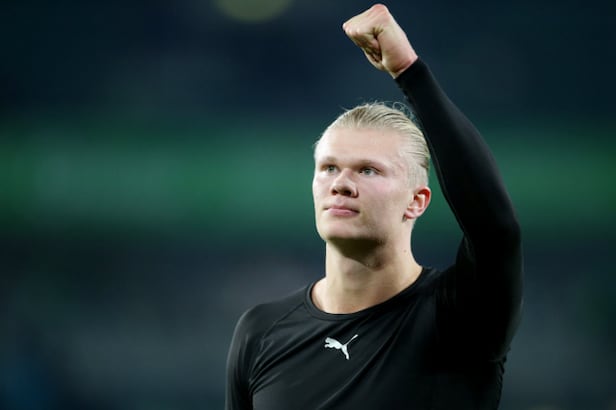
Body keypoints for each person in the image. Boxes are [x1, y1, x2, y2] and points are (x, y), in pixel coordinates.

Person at [225, 4, 523, 409]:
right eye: (329, 168)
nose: (341, 184)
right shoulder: (260, 332)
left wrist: (409, 72)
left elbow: (495, 230)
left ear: (416, 202)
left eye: (368, 170)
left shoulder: (457, 314)